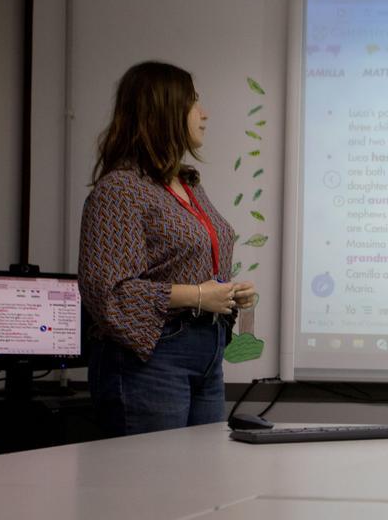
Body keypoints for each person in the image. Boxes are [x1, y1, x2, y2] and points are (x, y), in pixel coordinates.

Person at [79, 61, 257, 436]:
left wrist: (224, 293)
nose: (204, 114)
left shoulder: (188, 186)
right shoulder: (120, 190)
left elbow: (184, 267)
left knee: (202, 481)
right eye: (194, 103)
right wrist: (196, 296)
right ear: (164, 111)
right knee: (154, 486)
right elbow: (107, 293)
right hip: (152, 357)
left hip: (206, 351)